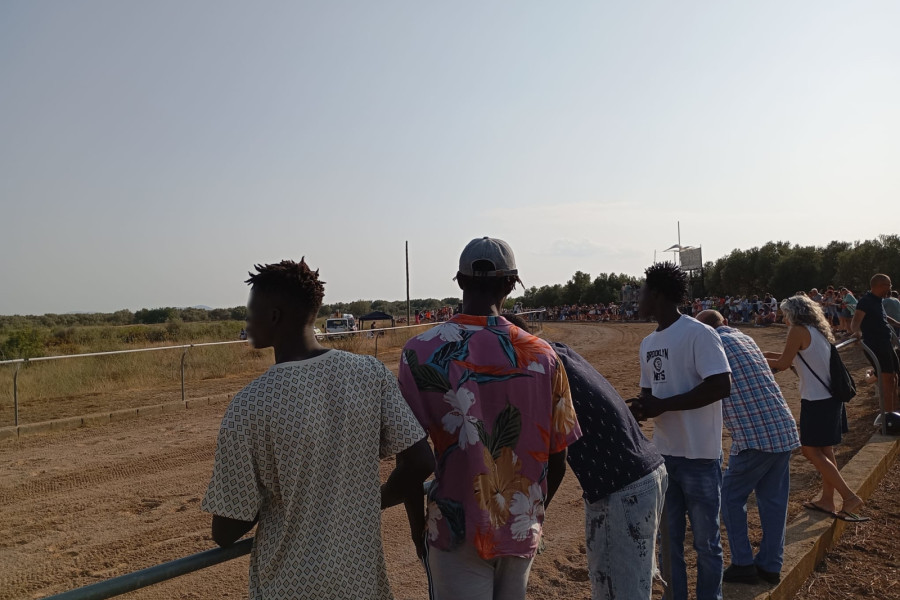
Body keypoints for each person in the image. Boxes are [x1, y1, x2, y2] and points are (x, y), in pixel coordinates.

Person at [202, 258, 434, 600]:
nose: (246, 321)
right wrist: (375, 498)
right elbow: (420, 462)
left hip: (289, 586)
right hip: (362, 583)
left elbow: (226, 530)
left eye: (251, 311)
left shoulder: (249, 405)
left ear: (275, 316)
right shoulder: (370, 373)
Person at [398, 237, 581, 600]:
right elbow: (558, 458)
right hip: (518, 527)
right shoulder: (544, 357)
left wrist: (419, 527)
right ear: (511, 284)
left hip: (453, 529)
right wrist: (529, 519)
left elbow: (411, 460)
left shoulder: (419, 352)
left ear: (460, 280)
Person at [505, 313, 667, 600]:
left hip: (622, 487)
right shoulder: (557, 352)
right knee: (612, 587)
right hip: (636, 476)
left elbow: (552, 455)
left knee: (621, 593)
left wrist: (534, 517)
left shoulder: (537, 367)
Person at [627, 263, 732, 600]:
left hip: (700, 455)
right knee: (668, 543)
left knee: (706, 543)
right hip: (664, 456)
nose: (638, 299)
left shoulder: (699, 333)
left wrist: (664, 404)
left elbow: (720, 385)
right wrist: (640, 408)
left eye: (641, 291)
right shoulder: (647, 343)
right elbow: (650, 393)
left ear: (656, 294)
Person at [696, 310, 800, 585]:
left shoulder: (710, 345)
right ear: (725, 323)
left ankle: (742, 562)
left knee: (729, 497)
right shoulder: (745, 338)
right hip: (783, 428)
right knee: (774, 502)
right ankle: (770, 564)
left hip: (755, 437)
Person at [765, 295, 869, 523]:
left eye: (784, 315)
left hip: (817, 400)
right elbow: (791, 360)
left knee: (810, 451)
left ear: (793, 314)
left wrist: (758, 360)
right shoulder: (816, 330)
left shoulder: (798, 330)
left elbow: (783, 363)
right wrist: (760, 356)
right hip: (829, 398)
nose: (783, 319)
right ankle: (827, 500)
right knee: (825, 450)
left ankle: (849, 497)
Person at [850, 274, 900, 418]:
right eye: (888, 285)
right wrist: (857, 332)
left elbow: (883, 317)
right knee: (886, 379)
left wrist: (896, 323)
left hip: (886, 343)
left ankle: (893, 411)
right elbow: (855, 322)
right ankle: (887, 416)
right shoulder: (865, 301)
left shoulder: (878, 300)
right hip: (876, 345)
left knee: (894, 377)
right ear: (879, 286)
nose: (890, 288)